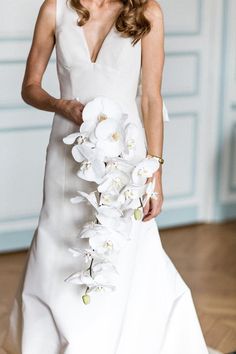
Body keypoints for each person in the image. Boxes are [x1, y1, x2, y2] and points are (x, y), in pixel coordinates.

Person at [2, 0, 209, 353]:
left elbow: (150, 98)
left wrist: (155, 170)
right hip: (67, 152)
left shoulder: (147, 11)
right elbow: (30, 87)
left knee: (125, 245)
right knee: (59, 238)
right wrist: (61, 105)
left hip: (126, 155)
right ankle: (57, 339)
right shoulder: (54, 8)